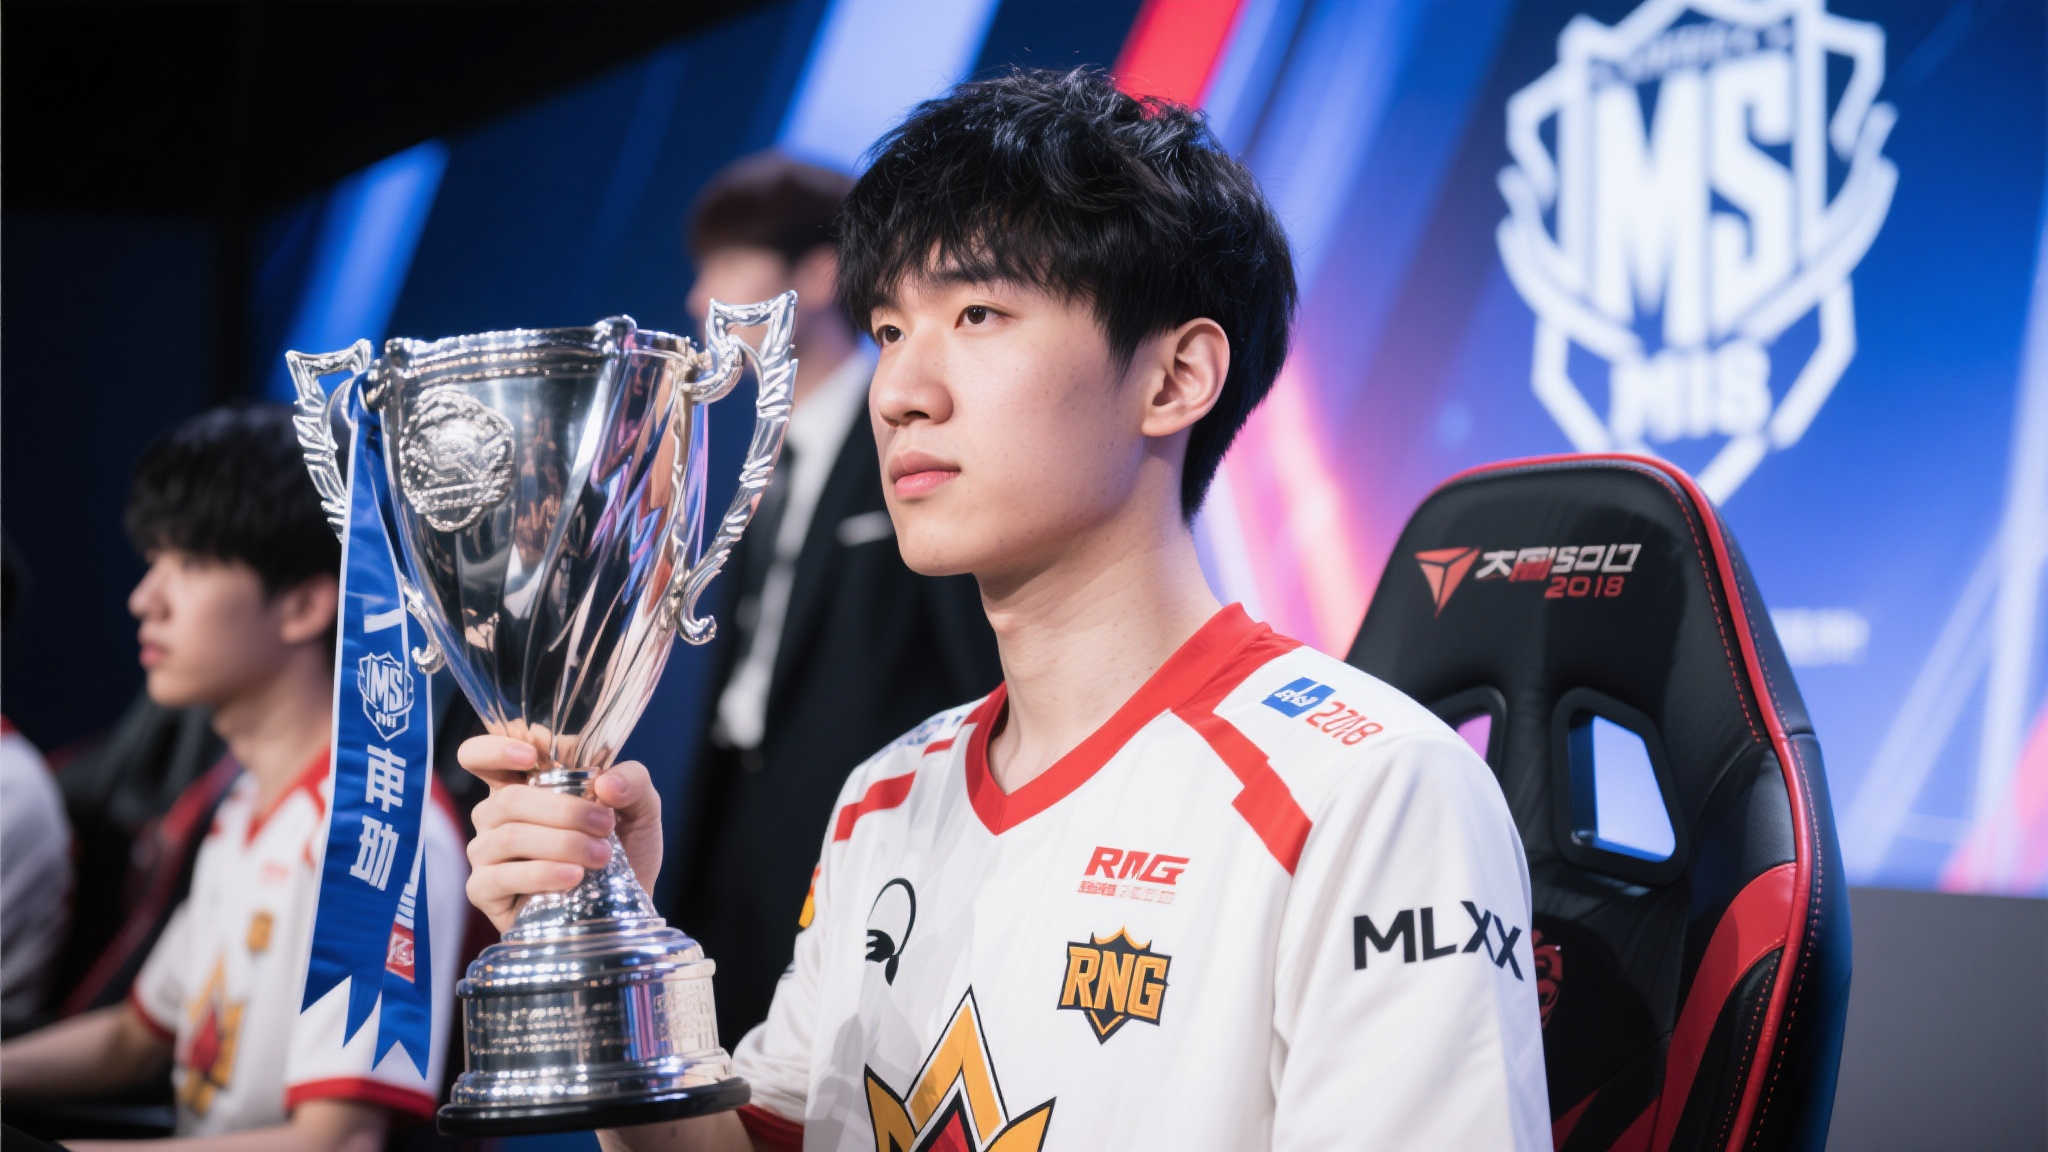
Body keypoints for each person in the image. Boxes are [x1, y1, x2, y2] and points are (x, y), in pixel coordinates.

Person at [460, 69, 1548, 1150]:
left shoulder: (1367, 789)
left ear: (1175, 379)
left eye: (977, 314)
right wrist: (599, 944)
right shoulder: (883, 798)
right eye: (890, 330)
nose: (899, 393)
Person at [0, 406, 469, 1149]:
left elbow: (338, 1141)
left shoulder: (374, 834)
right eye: (154, 561)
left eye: (189, 564)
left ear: (305, 604)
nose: (145, 599)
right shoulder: (246, 802)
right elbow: (136, 1036)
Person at [673, 152, 1000, 1044]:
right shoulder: (758, 456)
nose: (701, 300)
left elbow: (975, 662)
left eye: (729, 267)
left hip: (872, 845)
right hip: (732, 831)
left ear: (817, 276)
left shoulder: (912, 438)